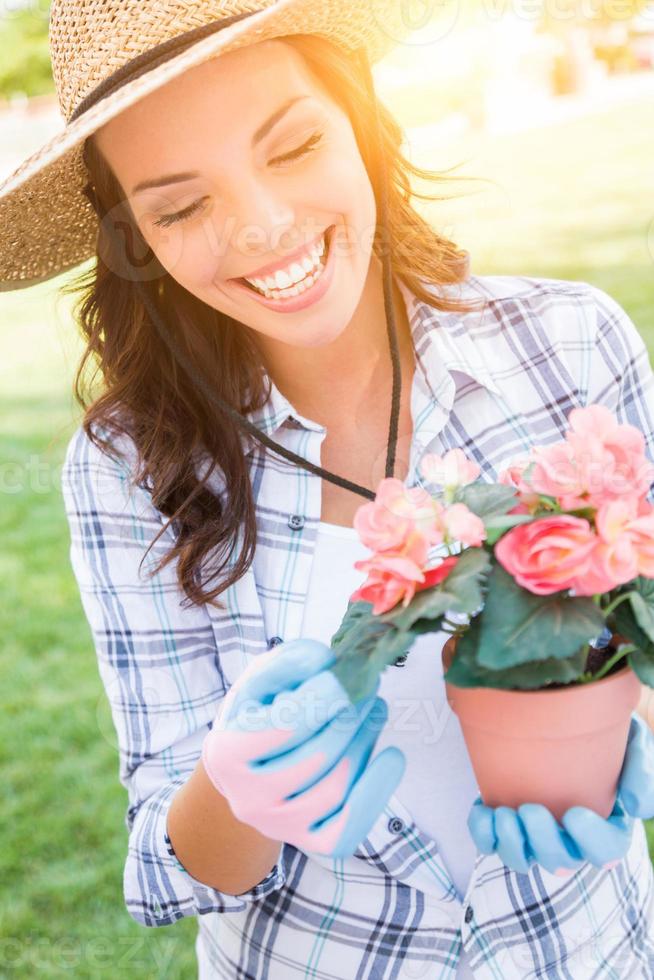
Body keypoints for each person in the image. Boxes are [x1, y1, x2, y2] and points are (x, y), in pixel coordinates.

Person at [1, 2, 653, 977]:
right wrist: (236, 792)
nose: (263, 226)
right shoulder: (125, 467)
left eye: (294, 143)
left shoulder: (570, 343)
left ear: (359, 115)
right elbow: (167, 866)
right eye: (179, 207)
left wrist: (623, 733)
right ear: (133, 238)